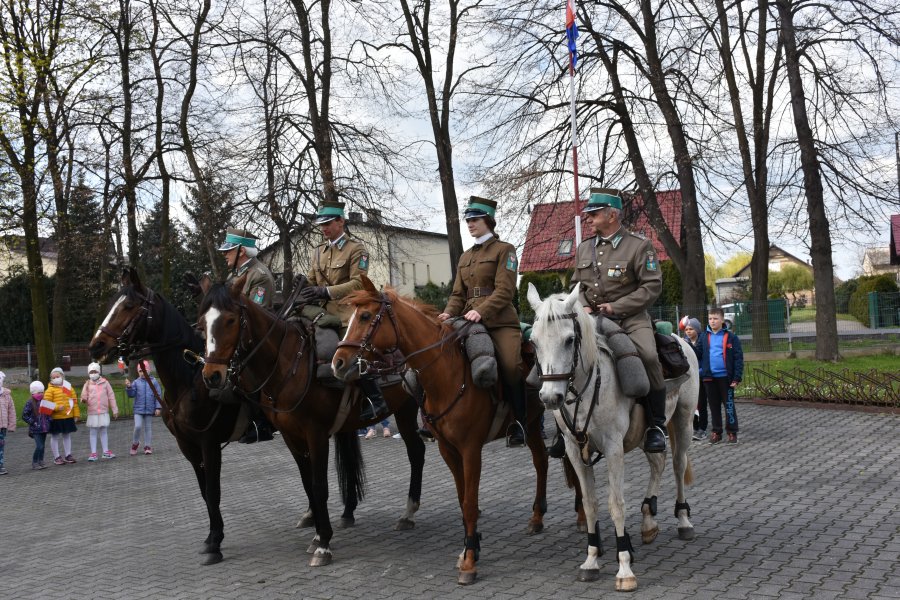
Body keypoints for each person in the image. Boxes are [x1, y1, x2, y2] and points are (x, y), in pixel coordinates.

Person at [571, 188, 668, 453]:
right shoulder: (583, 249)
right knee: (564, 355)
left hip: (630, 319)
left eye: (594, 214)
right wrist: (583, 307)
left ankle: (656, 425)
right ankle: (566, 428)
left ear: (612, 215)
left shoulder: (639, 246)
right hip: (592, 320)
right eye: (588, 214)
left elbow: (651, 287)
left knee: (648, 356)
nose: (588, 219)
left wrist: (616, 307)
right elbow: (575, 287)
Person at [438, 196, 527, 447]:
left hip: (499, 322)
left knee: (510, 365)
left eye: (474, 219)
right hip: (466, 319)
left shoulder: (504, 250)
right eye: (468, 220)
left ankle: (520, 422)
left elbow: (505, 291)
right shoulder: (465, 257)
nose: (469, 224)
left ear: (488, 220)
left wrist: (482, 311)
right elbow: (458, 294)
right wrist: (447, 313)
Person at [302, 200, 388, 422]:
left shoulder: (356, 249)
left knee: (352, 351)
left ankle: (375, 400)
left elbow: (359, 283)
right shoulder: (318, 251)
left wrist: (326, 291)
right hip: (320, 312)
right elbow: (312, 280)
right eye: (321, 224)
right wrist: (303, 285)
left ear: (341, 222)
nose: (323, 228)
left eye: (328, 223)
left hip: (346, 314)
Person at [218, 226, 277, 443]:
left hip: (258, 336)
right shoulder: (234, 275)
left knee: (247, 372)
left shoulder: (259, 275)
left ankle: (261, 423)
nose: (225, 254)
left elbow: (256, 314)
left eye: (229, 250)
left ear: (241, 251)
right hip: (237, 334)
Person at [699, 307, 744, 445]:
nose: (712, 321)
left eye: (715, 318)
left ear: (722, 320)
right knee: (713, 406)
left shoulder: (731, 337)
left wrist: (736, 377)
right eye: (710, 319)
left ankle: (732, 432)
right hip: (709, 378)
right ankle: (716, 432)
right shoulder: (703, 336)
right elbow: (698, 355)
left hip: (726, 378)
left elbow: (738, 358)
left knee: (729, 405)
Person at [81, 363, 119, 461]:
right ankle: (93, 453)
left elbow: (111, 396)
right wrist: (83, 399)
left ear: (99, 372)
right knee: (93, 431)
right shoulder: (87, 384)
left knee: (103, 430)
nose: (93, 374)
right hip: (92, 411)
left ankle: (105, 452)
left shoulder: (105, 382)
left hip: (103, 411)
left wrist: (115, 409)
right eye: (91, 372)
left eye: (95, 372)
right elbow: (83, 396)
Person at [126, 361, 162, 455]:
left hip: (150, 409)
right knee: (137, 426)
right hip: (138, 409)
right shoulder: (136, 382)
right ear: (138, 372)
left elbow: (158, 395)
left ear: (149, 370)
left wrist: (158, 407)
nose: (143, 373)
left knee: (148, 428)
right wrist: (129, 387)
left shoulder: (154, 382)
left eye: (145, 370)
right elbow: (131, 395)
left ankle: (147, 446)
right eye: (141, 371)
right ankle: (135, 443)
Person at [681, 317, 708, 440]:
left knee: (702, 404)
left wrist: (687, 346)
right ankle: (695, 427)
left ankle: (702, 428)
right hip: (690, 377)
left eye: (691, 329)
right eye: (686, 329)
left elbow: (699, 354)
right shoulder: (685, 340)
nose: (688, 331)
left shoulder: (702, 339)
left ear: (697, 329)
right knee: (693, 403)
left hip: (701, 376)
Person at [46, 366, 80, 465]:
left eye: (58, 376)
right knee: (55, 436)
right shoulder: (49, 390)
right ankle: (56, 457)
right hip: (56, 418)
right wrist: (56, 407)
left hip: (68, 416)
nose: (56, 378)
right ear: (51, 379)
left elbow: (74, 402)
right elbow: (46, 404)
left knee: (67, 435)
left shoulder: (69, 387)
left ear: (62, 376)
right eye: (54, 377)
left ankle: (68, 455)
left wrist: (76, 414)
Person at [21, 381, 51, 470]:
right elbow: (24, 415)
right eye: (39, 392)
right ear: (33, 392)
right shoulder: (30, 403)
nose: (41, 394)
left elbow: (48, 414)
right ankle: (35, 462)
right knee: (39, 446)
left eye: (42, 392)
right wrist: (32, 422)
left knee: (43, 446)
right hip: (35, 429)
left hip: (44, 428)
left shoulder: (45, 401)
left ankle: (41, 460)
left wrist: (49, 421)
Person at [0, 371, 15, 475]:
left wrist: (11, 425)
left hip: (2, 427)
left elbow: (11, 411)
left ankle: (0, 465)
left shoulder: (6, 395)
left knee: (1, 446)